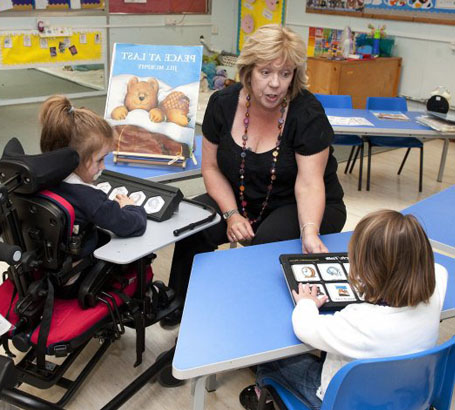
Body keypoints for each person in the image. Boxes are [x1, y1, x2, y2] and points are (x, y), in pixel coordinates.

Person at [161, 24, 346, 327]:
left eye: (285, 74)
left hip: (303, 203)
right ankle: (180, 305)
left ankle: (250, 325)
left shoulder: (307, 113)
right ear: (248, 70)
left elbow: (310, 183)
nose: (275, 84)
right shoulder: (222, 104)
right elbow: (210, 168)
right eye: (266, 73)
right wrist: (231, 214)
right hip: (243, 196)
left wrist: (309, 230)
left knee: (265, 245)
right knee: (192, 224)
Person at [239, 209, 448, 410]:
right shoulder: (435, 289)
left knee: (274, 360)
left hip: (340, 401)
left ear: (368, 270)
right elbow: (439, 270)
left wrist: (307, 303)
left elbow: (304, 327)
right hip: (408, 396)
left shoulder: (359, 321)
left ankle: (261, 396)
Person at [39, 95, 147, 295]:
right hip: (74, 281)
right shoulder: (89, 198)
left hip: (42, 275)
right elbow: (132, 225)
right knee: (139, 256)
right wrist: (132, 207)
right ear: (74, 160)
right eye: (99, 160)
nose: (103, 167)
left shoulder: (40, 180)